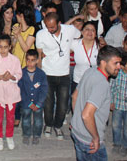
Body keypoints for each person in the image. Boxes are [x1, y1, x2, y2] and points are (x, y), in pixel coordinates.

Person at [71, 45, 122, 161]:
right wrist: (95, 138)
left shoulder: (90, 70)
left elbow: (74, 96)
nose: (119, 66)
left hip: (77, 132)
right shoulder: (102, 84)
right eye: (116, 63)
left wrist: (76, 121)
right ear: (104, 63)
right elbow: (86, 115)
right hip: (89, 141)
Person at [36, 12, 81, 140]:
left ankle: (58, 125)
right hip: (47, 73)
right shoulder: (41, 34)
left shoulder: (70, 30)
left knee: (63, 104)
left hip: (64, 74)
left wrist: (70, 49)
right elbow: (39, 55)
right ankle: (49, 125)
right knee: (48, 103)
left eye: (52, 27)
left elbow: (78, 37)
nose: (49, 30)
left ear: (59, 24)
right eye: (47, 26)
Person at [0, 35, 22, 150]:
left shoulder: (15, 60)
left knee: (11, 117)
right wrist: (0, 77)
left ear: (10, 47)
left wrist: (12, 77)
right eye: (0, 47)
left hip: (11, 91)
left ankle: (9, 136)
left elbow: (19, 74)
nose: (3, 50)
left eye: (6, 47)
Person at [18, 49, 48, 145]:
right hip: (26, 103)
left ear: (37, 61)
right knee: (25, 119)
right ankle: (26, 135)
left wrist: (39, 103)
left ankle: (36, 135)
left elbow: (44, 90)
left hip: (38, 103)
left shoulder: (41, 74)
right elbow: (20, 90)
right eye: (28, 60)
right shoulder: (21, 73)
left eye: (33, 60)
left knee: (38, 120)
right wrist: (29, 103)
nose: (30, 62)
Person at [70, 21, 100, 92]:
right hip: (78, 81)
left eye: (93, 30)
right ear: (82, 32)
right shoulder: (75, 44)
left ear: (95, 34)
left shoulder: (99, 47)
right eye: (87, 29)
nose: (90, 32)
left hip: (94, 82)